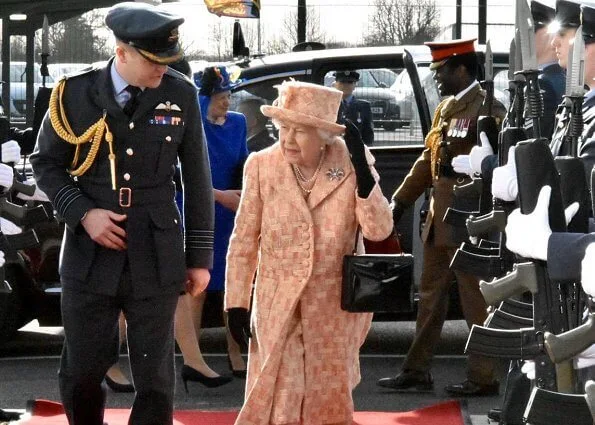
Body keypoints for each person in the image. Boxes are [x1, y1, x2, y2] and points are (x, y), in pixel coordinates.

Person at [30, 3, 214, 425]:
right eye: (154, 61)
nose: (162, 71)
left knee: (155, 377)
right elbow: (46, 164)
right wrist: (82, 213)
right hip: (89, 252)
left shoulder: (180, 93)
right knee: (83, 370)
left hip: (155, 247)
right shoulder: (74, 92)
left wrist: (199, 259)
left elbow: (197, 179)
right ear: (123, 52)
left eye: (168, 62)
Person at [225, 80, 393, 425]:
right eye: (282, 128)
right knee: (281, 398)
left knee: (326, 400)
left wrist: (363, 172)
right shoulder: (261, 165)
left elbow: (379, 230)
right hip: (277, 304)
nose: (287, 139)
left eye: (299, 131)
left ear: (324, 135)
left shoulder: (349, 162)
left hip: (331, 308)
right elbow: (243, 240)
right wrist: (236, 302)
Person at [378, 39, 504, 396]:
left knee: (474, 301)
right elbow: (426, 160)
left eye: (442, 71)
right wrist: (401, 200)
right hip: (439, 219)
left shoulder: (488, 107)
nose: (437, 79)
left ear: (461, 69)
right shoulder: (446, 109)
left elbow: (498, 164)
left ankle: (483, 376)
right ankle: (416, 369)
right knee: (430, 298)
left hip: (469, 219)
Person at [195, 65, 250, 379]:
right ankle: (194, 355)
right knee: (197, 287)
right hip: (199, 209)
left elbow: (244, 161)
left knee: (234, 283)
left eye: (229, 95)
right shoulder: (192, 127)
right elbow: (182, 173)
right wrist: (218, 195)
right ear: (204, 100)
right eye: (219, 97)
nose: (227, 102)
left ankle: (235, 350)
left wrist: (242, 193)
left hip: (232, 212)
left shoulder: (239, 123)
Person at [334, 71, 374, 146]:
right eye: (342, 82)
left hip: (356, 151)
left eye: (350, 82)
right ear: (336, 84)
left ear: (355, 85)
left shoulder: (364, 106)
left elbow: (368, 135)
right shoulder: (331, 105)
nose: (346, 85)